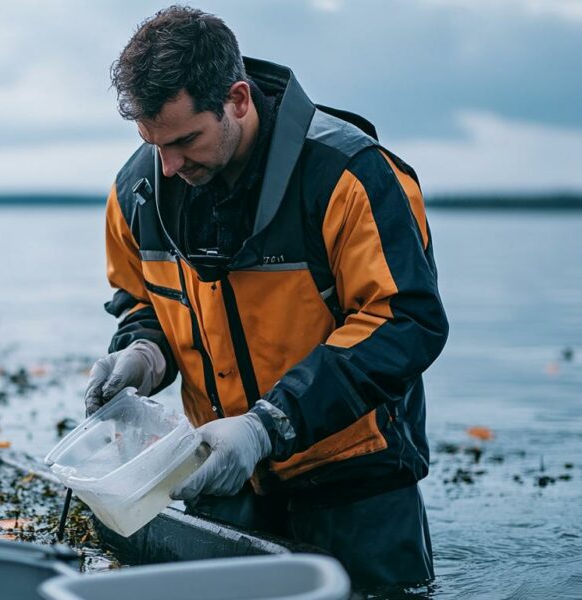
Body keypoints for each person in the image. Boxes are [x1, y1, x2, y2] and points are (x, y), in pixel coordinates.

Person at [84, 5, 448, 589]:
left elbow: (405, 321)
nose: (169, 165)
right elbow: (140, 301)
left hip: (354, 488)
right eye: (154, 143)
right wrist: (143, 354)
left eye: (184, 140)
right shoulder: (137, 190)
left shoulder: (352, 176)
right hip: (220, 481)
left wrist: (266, 427)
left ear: (238, 100)